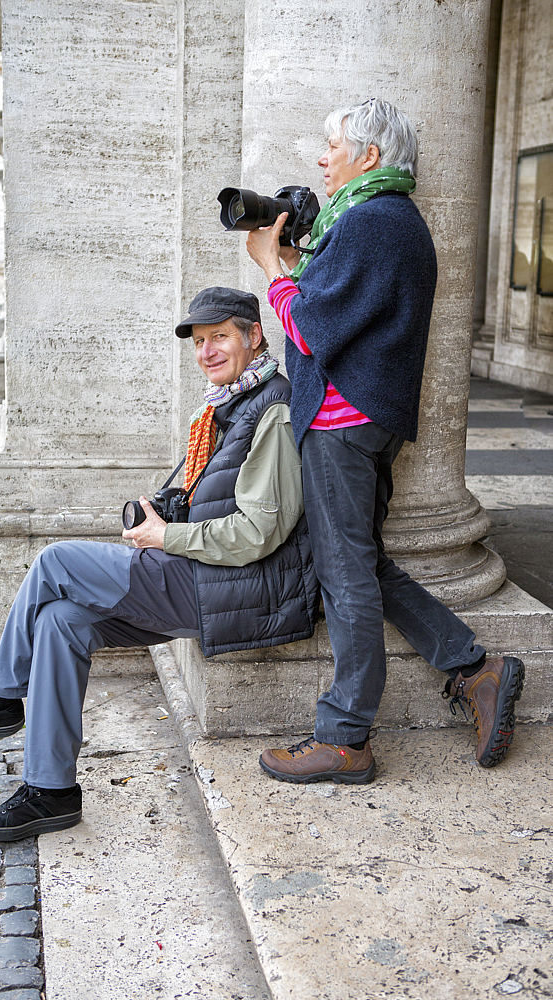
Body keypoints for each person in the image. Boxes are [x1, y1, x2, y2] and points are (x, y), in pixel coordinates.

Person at [0, 286, 319, 839]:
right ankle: (50, 791)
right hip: (203, 579)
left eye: (220, 336)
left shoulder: (272, 410)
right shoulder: (230, 405)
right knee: (59, 623)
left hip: (225, 586)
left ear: (254, 336)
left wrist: (167, 534)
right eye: (199, 341)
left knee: (56, 561)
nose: (207, 351)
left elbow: (259, 531)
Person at [245, 98, 525, 785]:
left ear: (368, 156)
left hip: (343, 424)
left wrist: (273, 270)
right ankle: (473, 667)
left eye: (331, 145)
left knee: (345, 578)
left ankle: (344, 738)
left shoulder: (374, 222)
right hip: (360, 420)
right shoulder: (377, 219)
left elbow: (312, 329)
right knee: (364, 566)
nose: (320, 158)